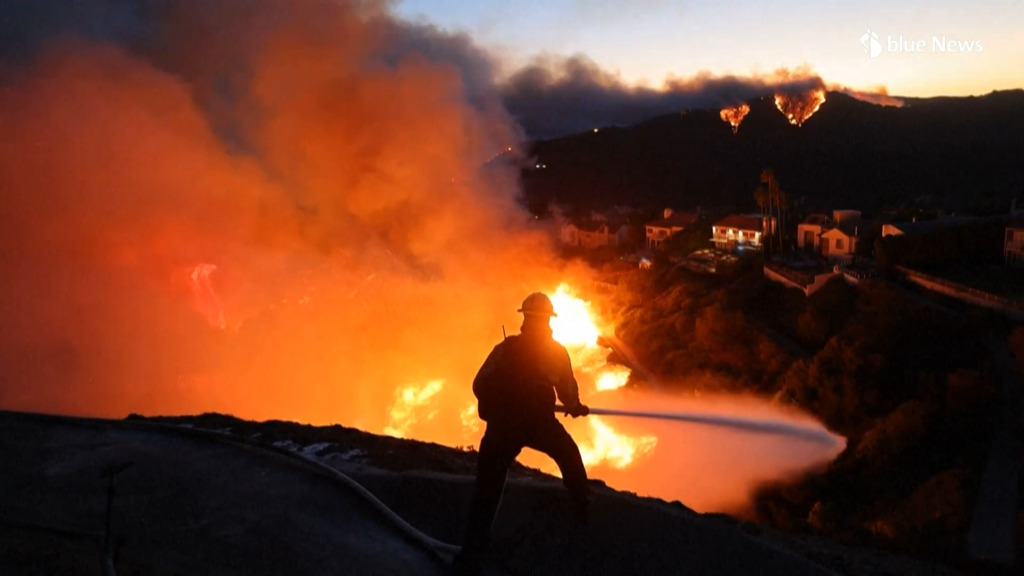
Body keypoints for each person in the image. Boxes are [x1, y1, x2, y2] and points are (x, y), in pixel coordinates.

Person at [453, 292, 591, 574]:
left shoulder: (506, 348)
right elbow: (566, 391)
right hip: (538, 423)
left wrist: (500, 401)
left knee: (486, 493)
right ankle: (583, 512)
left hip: (502, 426)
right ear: (548, 320)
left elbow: (479, 384)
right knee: (569, 456)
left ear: (525, 317)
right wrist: (575, 406)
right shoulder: (554, 352)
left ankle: (470, 558)